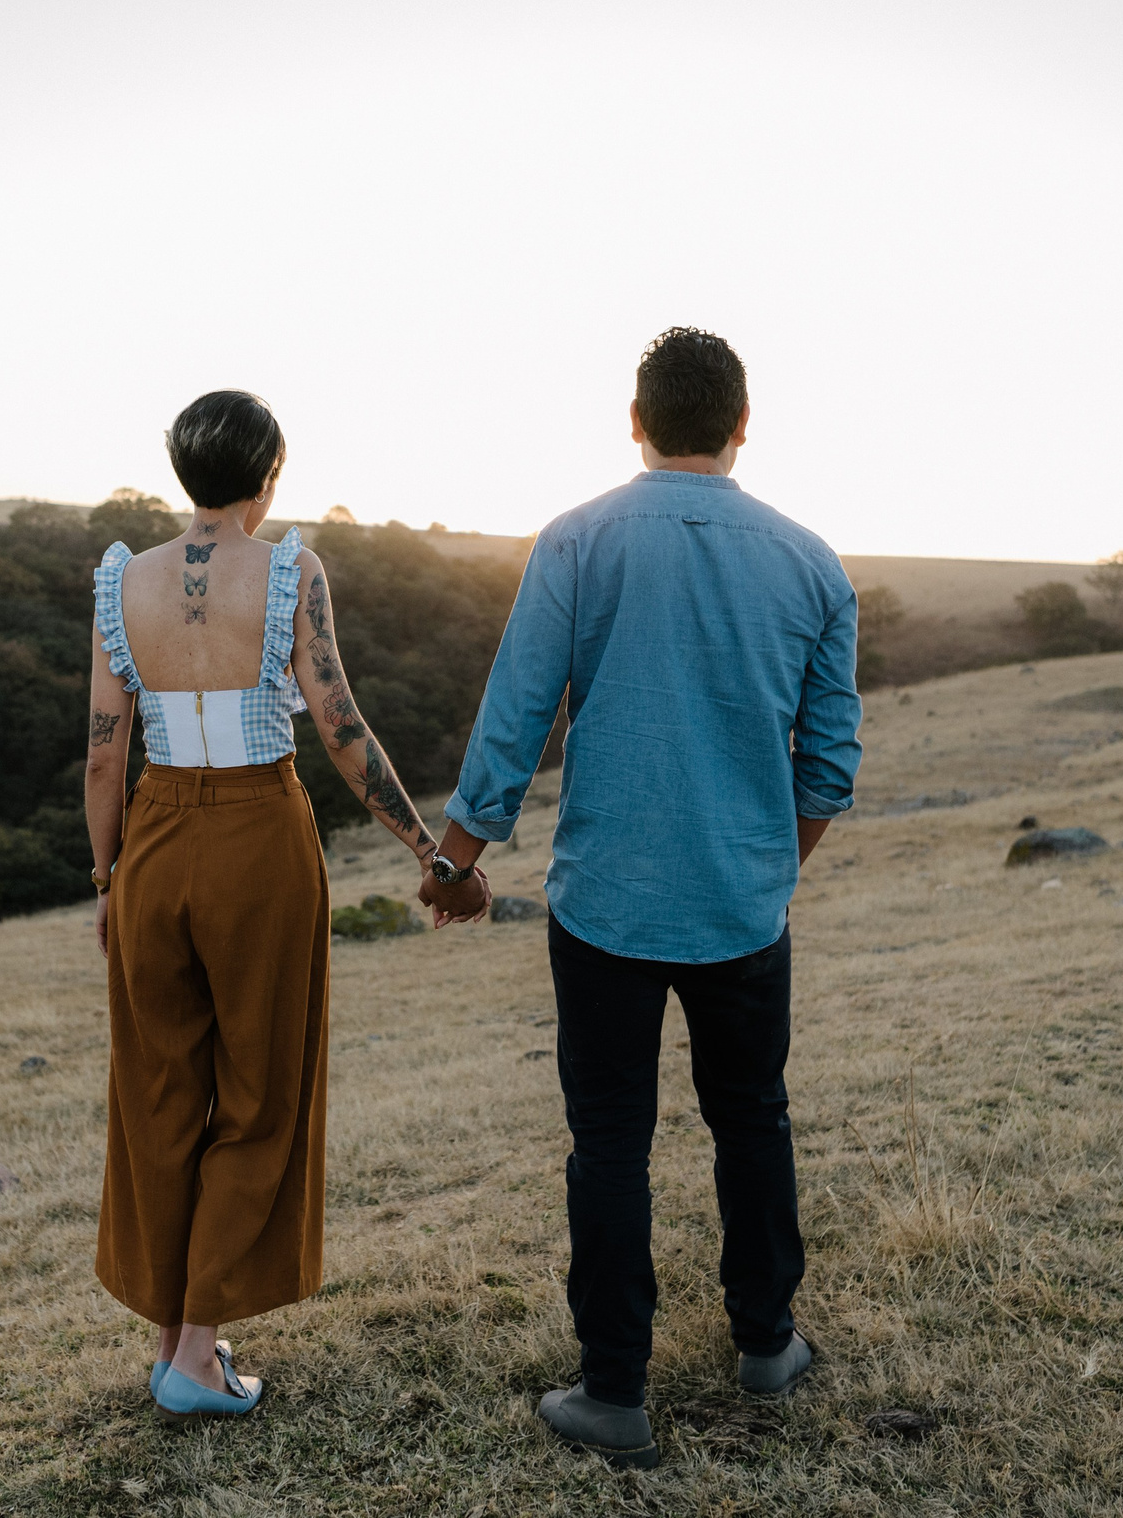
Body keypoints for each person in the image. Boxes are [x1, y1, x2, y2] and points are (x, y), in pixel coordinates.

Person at [417, 328, 863, 1467]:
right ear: (742, 423)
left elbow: (517, 711)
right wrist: (765, 863)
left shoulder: (576, 541)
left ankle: (615, 1391)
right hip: (742, 906)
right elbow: (829, 766)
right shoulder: (814, 564)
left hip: (605, 903)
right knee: (751, 1115)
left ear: (635, 420)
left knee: (608, 1142)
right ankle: (767, 1344)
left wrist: (457, 861)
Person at [86, 389, 491, 1418]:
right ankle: (193, 1350)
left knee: (162, 1093)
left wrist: (108, 877)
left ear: (182, 473)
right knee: (261, 1093)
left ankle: (182, 1345)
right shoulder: (290, 570)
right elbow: (340, 723)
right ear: (267, 474)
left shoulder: (120, 581)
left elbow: (102, 753)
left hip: (156, 837)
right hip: (259, 833)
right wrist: (431, 853)